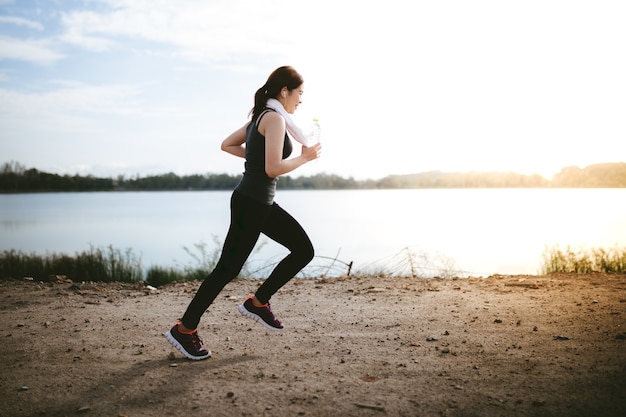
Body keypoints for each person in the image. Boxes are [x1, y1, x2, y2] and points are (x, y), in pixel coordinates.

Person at [165, 66, 322, 360]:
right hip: (252, 203)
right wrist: (303, 157)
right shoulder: (274, 119)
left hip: (258, 203)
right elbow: (272, 168)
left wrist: (257, 154)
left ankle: (259, 302)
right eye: (299, 93)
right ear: (284, 91)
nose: (301, 99)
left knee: (303, 250)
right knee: (227, 269)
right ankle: (185, 329)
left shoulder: (262, 116)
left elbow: (228, 145)